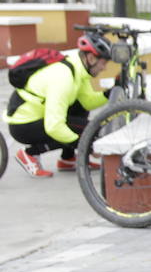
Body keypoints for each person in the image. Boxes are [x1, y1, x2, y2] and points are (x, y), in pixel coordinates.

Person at [4, 34, 112, 177]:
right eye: (103, 63)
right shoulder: (64, 78)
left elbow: (87, 102)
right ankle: (29, 153)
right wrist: (85, 146)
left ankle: (67, 159)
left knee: (81, 112)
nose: (104, 68)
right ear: (91, 59)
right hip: (23, 125)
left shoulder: (79, 69)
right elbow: (54, 125)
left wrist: (108, 93)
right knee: (89, 130)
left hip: (39, 116)